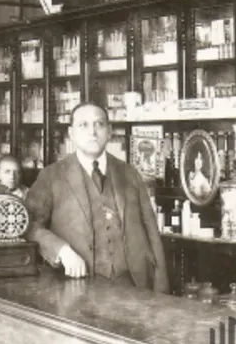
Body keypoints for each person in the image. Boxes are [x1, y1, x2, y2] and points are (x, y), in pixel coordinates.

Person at [24, 102, 169, 293]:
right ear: (71, 133)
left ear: (109, 132)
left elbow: (151, 231)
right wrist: (62, 251)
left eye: (99, 124)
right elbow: (28, 225)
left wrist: (161, 289)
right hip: (79, 288)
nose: (92, 132)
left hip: (135, 286)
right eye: (83, 125)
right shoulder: (51, 176)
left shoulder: (129, 173)